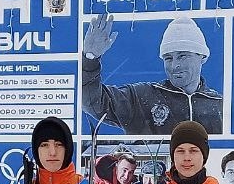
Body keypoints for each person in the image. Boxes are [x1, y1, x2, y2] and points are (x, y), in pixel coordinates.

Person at [81, 14, 222, 134]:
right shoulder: (140, 97)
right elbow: (92, 102)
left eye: (182, 56)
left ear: (203, 57)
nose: (174, 65)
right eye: (168, 58)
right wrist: (90, 57)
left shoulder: (219, 105)